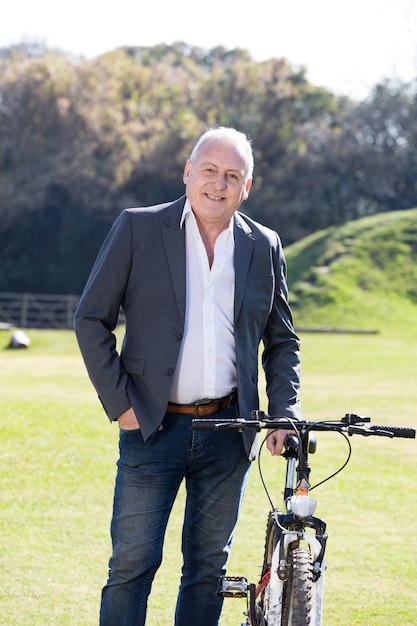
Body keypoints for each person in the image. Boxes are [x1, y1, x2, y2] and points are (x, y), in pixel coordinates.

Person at [74, 126, 302, 626]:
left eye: (232, 176)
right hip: (152, 428)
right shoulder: (137, 228)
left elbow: (282, 341)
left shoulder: (264, 245)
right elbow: (90, 318)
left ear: (247, 187)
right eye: (209, 170)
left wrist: (285, 415)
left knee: (206, 570)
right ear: (188, 172)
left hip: (228, 433)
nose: (218, 184)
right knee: (131, 566)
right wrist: (122, 405)